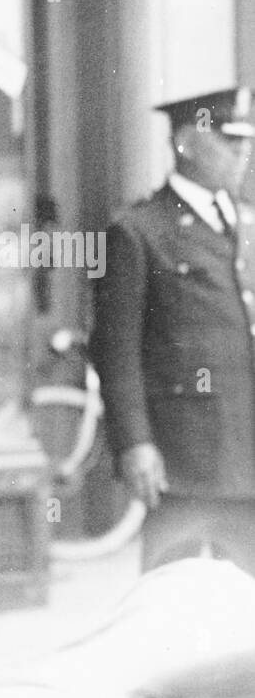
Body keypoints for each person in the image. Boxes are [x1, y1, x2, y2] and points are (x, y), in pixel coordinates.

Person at [90, 86, 255, 575]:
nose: (242, 152)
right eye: (229, 141)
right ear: (185, 143)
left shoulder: (245, 226)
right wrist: (135, 442)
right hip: (184, 457)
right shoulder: (138, 231)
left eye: (246, 142)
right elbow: (116, 351)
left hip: (247, 447)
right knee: (171, 596)